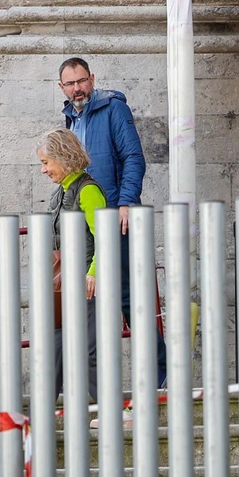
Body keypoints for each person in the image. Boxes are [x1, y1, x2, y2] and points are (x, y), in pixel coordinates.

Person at [58, 57, 156, 382]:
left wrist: (126, 203)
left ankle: (160, 376)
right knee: (96, 308)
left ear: (92, 79)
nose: (77, 88)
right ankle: (102, 386)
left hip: (117, 221)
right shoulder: (69, 120)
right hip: (89, 229)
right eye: (70, 83)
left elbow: (133, 157)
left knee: (129, 299)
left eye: (81, 81)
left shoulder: (114, 109)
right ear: (62, 88)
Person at [39, 129, 107, 403]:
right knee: (54, 350)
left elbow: (104, 236)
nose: (44, 170)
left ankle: (115, 410)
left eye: (46, 162)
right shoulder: (61, 193)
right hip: (62, 283)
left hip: (84, 282)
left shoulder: (88, 190)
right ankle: (37, 418)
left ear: (63, 157)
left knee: (88, 352)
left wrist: (93, 273)